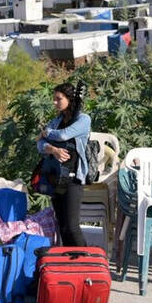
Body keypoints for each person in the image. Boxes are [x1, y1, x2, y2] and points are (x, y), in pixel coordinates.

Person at [37, 82, 91, 247]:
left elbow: (64, 135)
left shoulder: (83, 119)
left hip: (73, 179)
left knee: (72, 226)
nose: (54, 102)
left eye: (58, 99)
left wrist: (47, 133)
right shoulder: (56, 121)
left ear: (69, 99)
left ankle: (88, 264)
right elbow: (40, 145)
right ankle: (71, 265)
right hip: (56, 176)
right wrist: (52, 149)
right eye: (54, 99)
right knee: (62, 226)